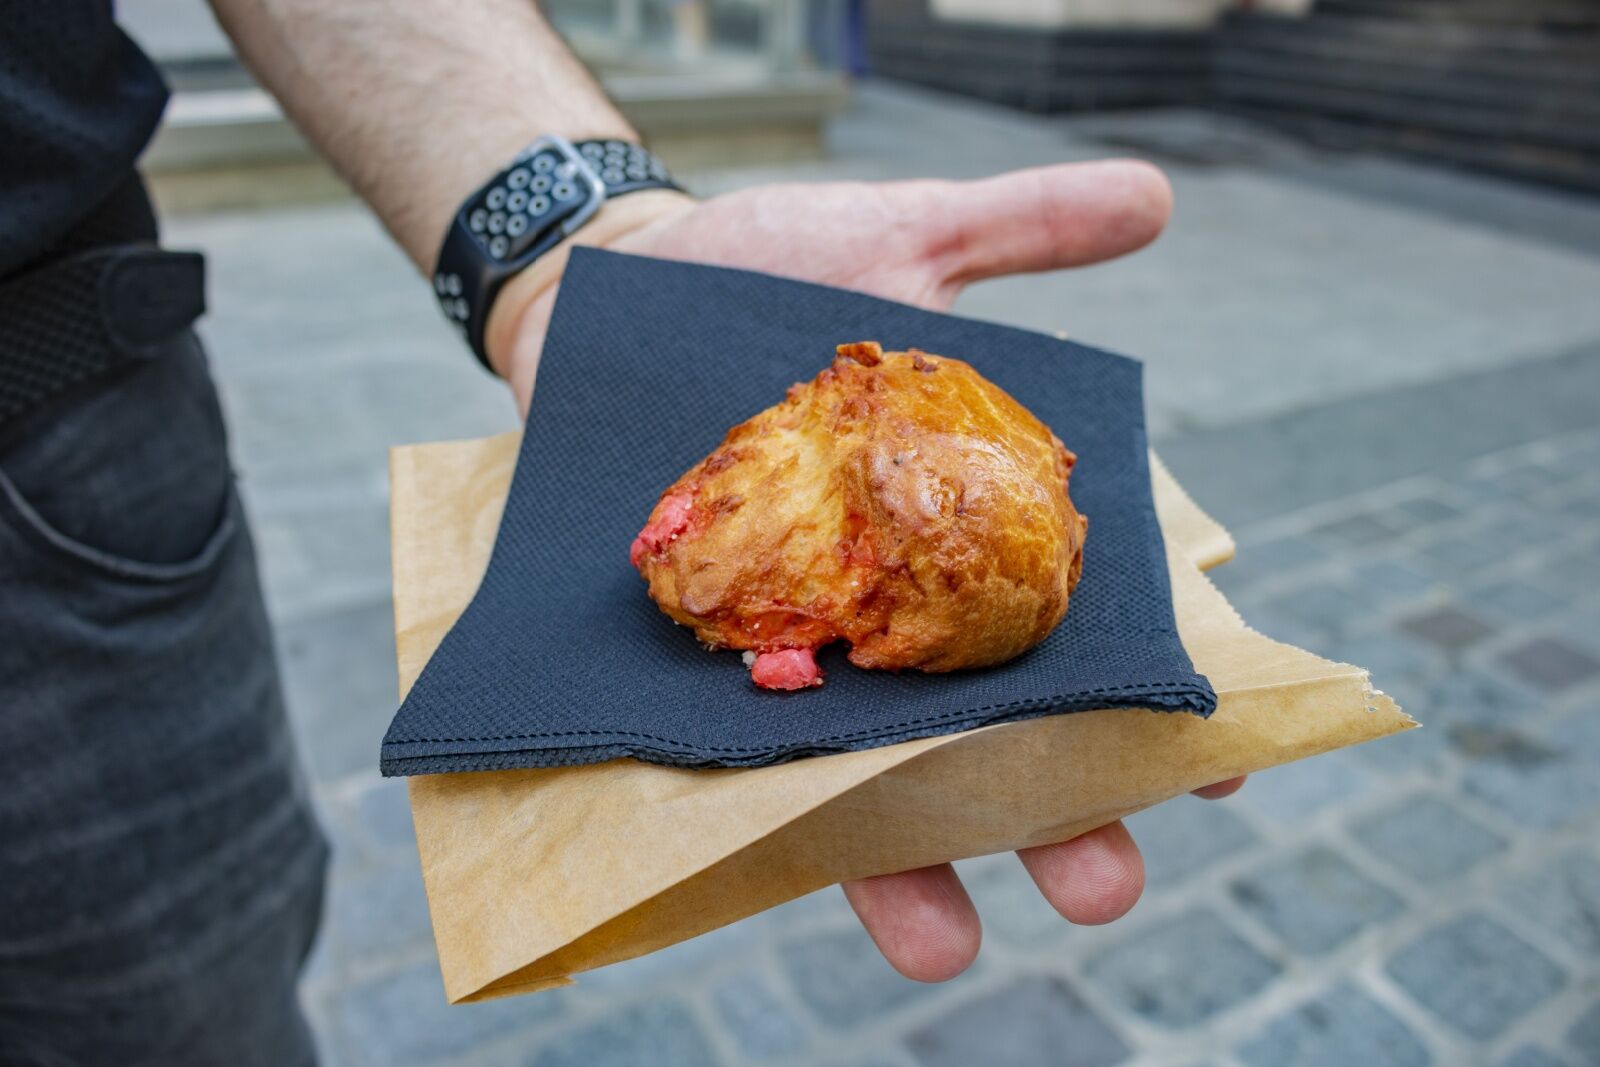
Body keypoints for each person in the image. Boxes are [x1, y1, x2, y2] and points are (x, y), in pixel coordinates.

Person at [0, 2, 1245, 1063]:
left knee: (177, 989)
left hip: (57, 404)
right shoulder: (793, 499)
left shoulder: (888, 476)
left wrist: (572, 245)